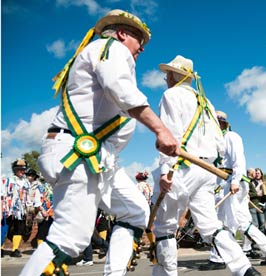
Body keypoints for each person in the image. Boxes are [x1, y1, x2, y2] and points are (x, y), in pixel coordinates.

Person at [20, 9, 178, 276]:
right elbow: (122, 90)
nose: (141, 48)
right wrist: (161, 130)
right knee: (70, 236)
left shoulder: (104, 52)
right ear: (122, 33)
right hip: (80, 153)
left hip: (100, 159)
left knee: (135, 211)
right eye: (139, 40)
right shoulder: (111, 49)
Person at [152, 55, 260, 276]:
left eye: (167, 75)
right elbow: (219, 142)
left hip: (182, 166)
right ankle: (243, 269)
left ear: (173, 75)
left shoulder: (171, 95)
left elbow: (170, 135)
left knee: (165, 226)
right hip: (207, 170)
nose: (165, 79)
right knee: (210, 225)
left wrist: (165, 170)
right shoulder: (206, 102)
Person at [199, 111, 266, 271]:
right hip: (226, 183)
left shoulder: (231, 137)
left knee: (223, 221)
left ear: (222, 123)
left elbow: (239, 160)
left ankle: (217, 258)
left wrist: (235, 181)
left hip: (232, 182)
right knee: (242, 221)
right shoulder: (216, 140)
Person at [2, 159, 33, 258]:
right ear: (14, 170)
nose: (22, 171)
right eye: (19, 169)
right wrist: (4, 207)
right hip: (9, 209)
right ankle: (1, 248)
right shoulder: (8, 180)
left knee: (19, 229)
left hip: (21, 210)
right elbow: (3, 194)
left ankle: (15, 249)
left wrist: (28, 208)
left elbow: (28, 196)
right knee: (5, 228)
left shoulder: (26, 182)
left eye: (23, 169)